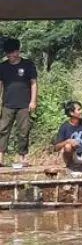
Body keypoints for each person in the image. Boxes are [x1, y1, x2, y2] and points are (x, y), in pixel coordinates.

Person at [0, 38, 38, 168]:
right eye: (8, 53)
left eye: (12, 53)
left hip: (24, 104)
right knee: (3, 130)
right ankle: (1, 158)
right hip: (7, 104)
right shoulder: (3, 66)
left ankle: (22, 157)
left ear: (17, 51)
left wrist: (33, 101)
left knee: (23, 131)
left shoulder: (28, 64)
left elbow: (33, 83)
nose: (10, 55)